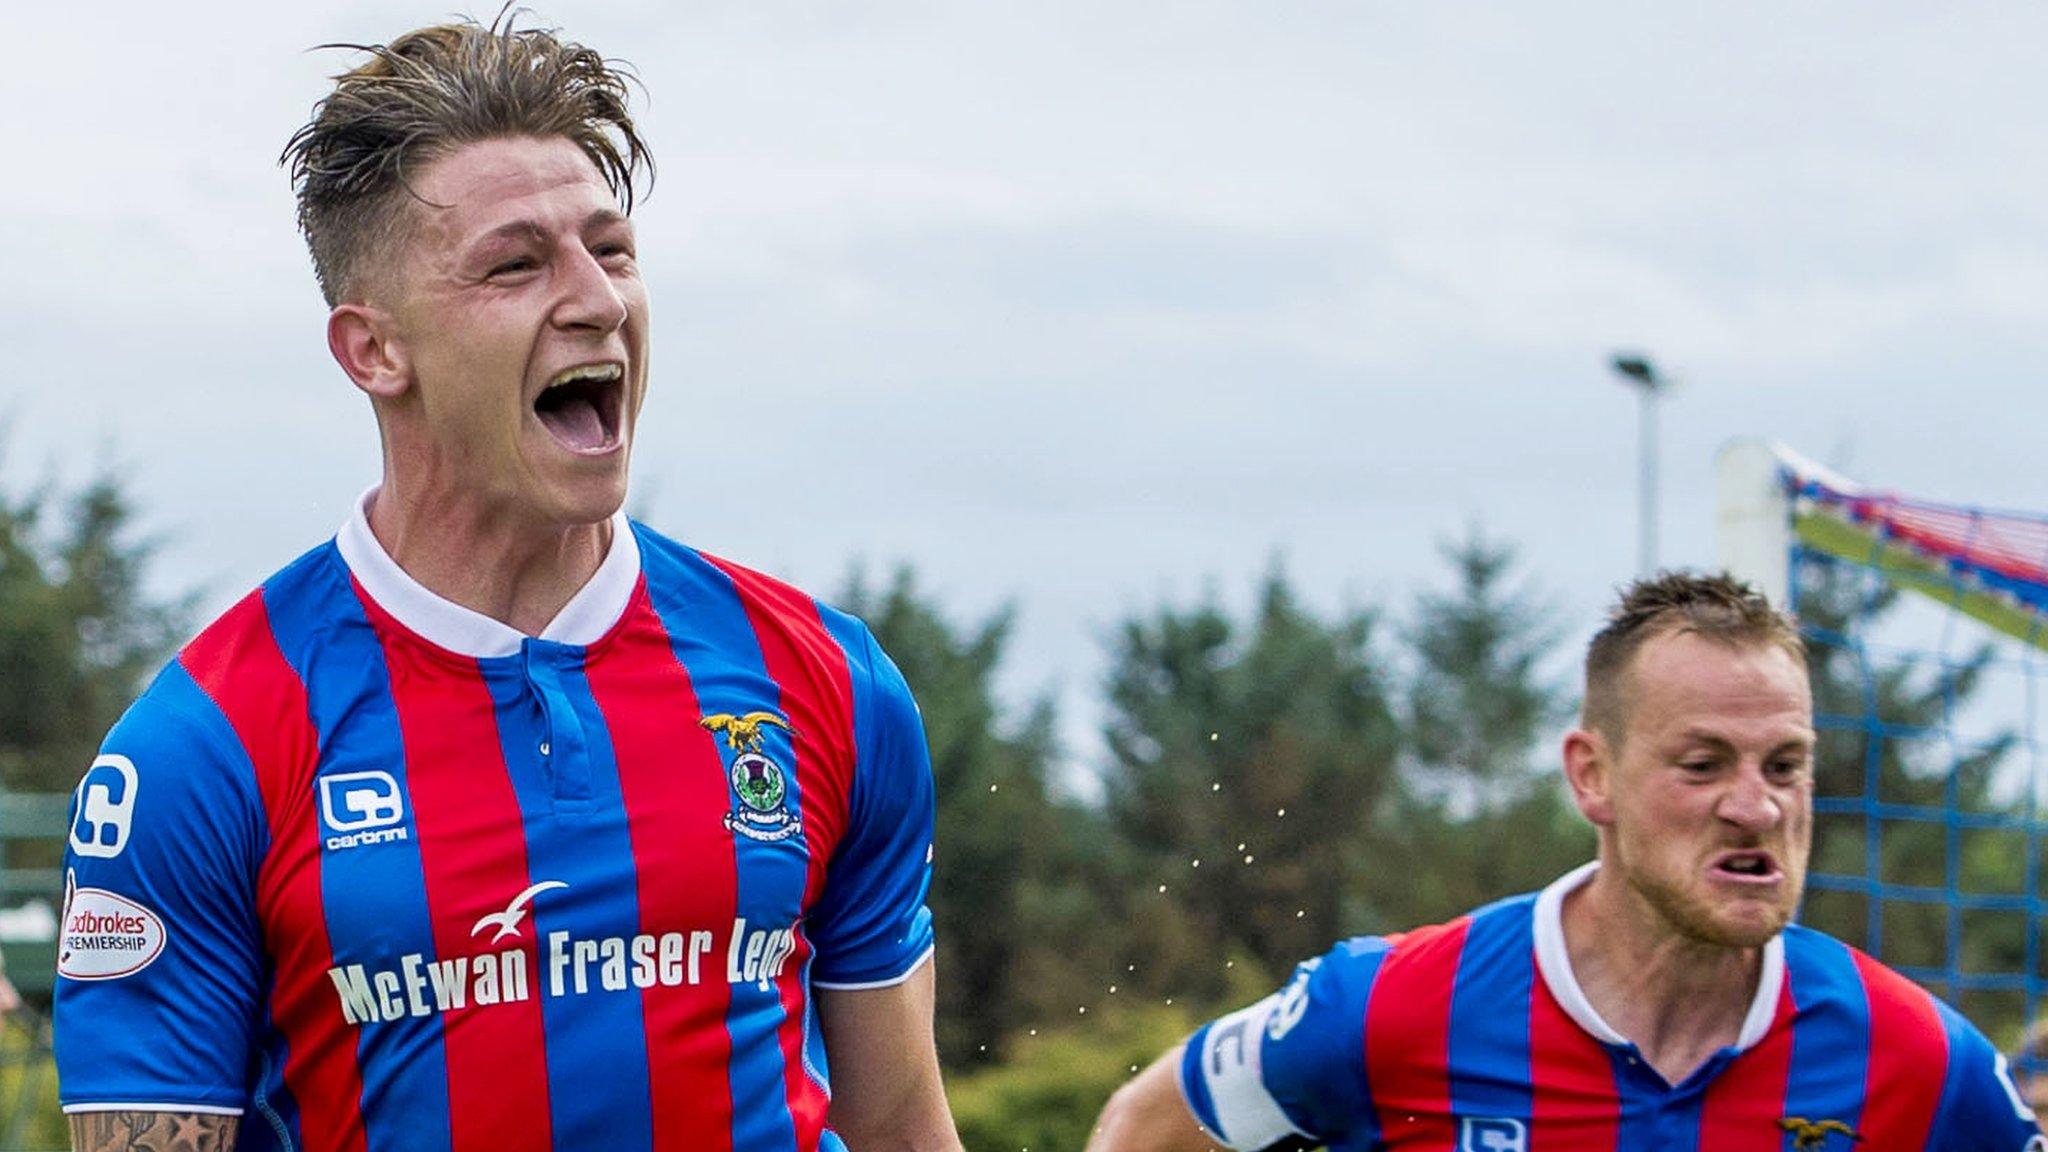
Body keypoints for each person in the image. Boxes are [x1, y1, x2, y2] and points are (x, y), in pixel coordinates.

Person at [54, 17, 960, 1152]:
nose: (595, 301)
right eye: (517, 264)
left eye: (612, 250)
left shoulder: (822, 677)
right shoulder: (209, 744)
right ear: (373, 351)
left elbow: (901, 1125)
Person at [1089, 572, 2045, 1152]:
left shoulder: (1911, 1054)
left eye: (1785, 766)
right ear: (1593, 778)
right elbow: (1147, 1130)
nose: (1757, 807)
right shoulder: (1387, 1008)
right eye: (1703, 765)